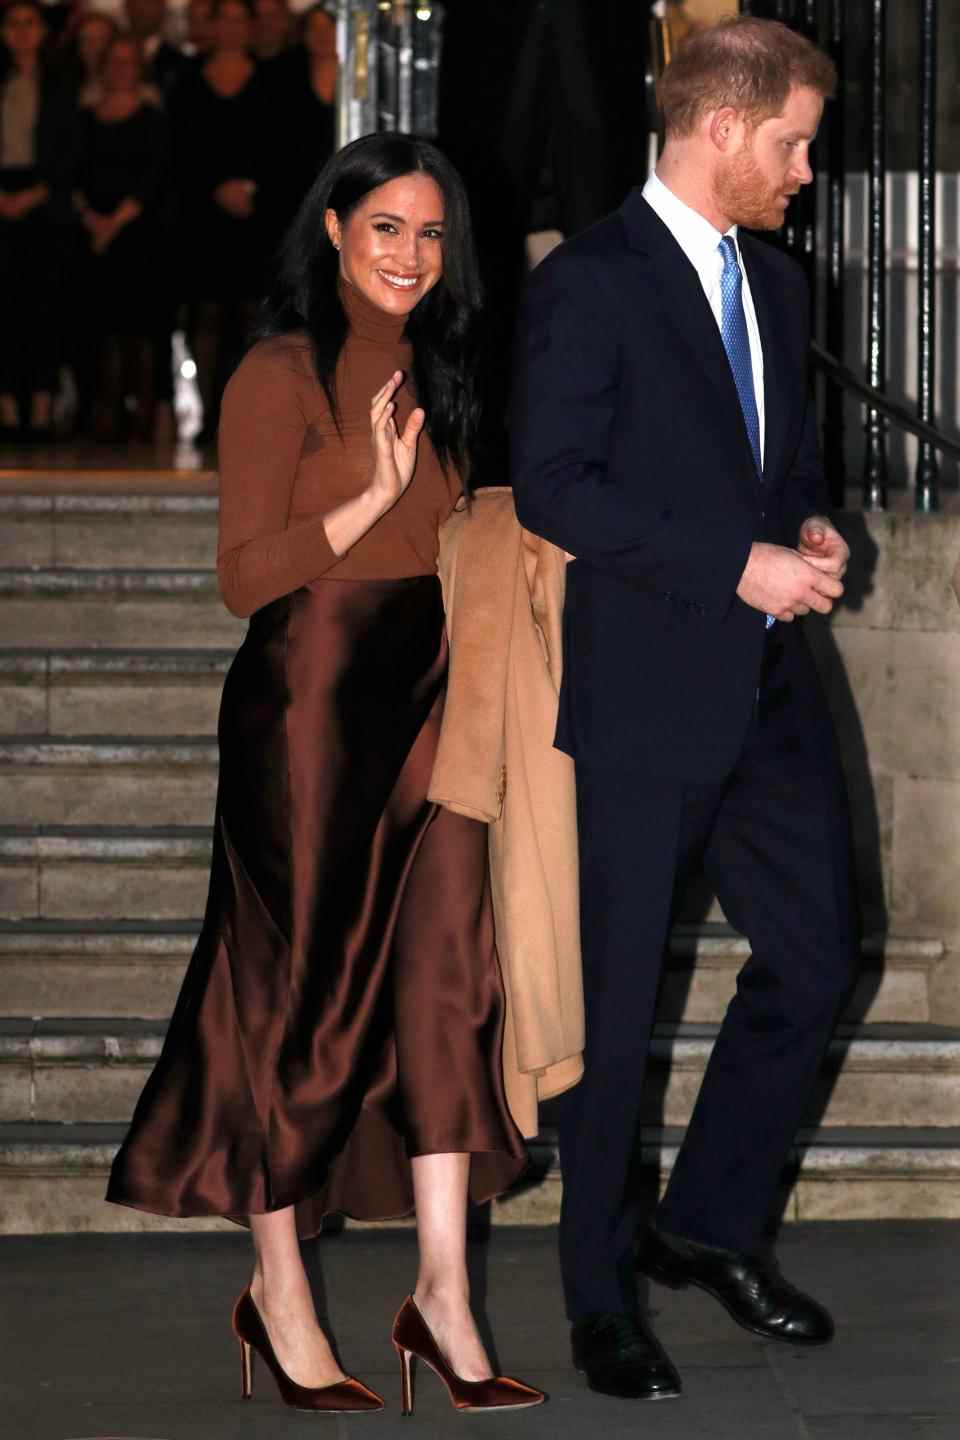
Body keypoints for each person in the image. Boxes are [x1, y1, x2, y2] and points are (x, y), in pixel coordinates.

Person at [106, 131, 544, 1418]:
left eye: (431, 232)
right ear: (336, 234)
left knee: (451, 976)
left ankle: (444, 1295)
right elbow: (244, 577)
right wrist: (370, 496)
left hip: (434, 694)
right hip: (305, 697)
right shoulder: (279, 373)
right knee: (291, 986)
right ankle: (280, 1290)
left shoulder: (453, 368)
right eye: (387, 229)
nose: (411, 255)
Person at [511, 16, 855, 1401]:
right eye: (795, 143)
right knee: (615, 1009)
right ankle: (599, 1296)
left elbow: (782, 467)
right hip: (647, 700)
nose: (808, 171)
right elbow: (555, 488)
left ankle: (705, 1227)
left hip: (773, 692)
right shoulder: (590, 282)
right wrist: (734, 561)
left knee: (819, 961)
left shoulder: (775, 284)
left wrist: (812, 530)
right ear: (723, 126)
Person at [169, 0, 268, 443]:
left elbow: (283, 145)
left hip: (258, 216)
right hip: (203, 217)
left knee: (252, 318)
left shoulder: (272, 78)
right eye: (222, 18)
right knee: (205, 317)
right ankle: (207, 415)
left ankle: (249, 416)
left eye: (237, 19)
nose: (230, 28)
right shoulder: (187, 81)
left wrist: (252, 192)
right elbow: (178, 150)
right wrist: (215, 187)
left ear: (250, 26)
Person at [73, 34, 169, 440]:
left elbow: (154, 178)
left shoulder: (153, 118)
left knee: (142, 331)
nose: (120, 69)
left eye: (128, 62)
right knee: (102, 329)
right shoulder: (85, 116)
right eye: (114, 61)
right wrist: (92, 220)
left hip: (139, 239)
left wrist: (112, 224)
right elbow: (73, 174)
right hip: (94, 238)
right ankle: (105, 416)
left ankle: (143, 420)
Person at [0, 0, 75, 441]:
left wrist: (36, 193)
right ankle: (8, 409)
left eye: (30, 23)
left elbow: (70, 151)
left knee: (43, 305)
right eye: (13, 23)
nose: (22, 32)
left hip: (46, 201)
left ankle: (43, 407)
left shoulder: (60, 82)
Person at [259, 0, 335, 255]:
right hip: (291, 194)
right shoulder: (280, 75)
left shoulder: (361, 77)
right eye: (315, 28)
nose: (323, 35)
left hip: (344, 187)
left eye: (330, 27)